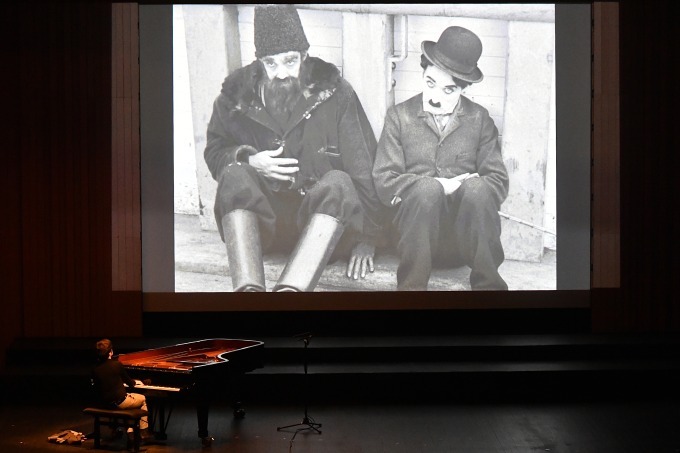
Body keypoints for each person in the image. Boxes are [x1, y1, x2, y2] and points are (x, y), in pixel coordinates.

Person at [204, 4, 384, 292]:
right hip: (267, 225)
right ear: (260, 62)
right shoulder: (235, 97)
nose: (281, 73)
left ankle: (291, 295)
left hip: (322, 224)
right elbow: (215, 152)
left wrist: (369, 238)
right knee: (235, 172)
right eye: (270, 63)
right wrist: (250, 159)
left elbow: (364, 167)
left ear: (304, 56)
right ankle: (248, 292)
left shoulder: (336, 93)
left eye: (290, 61)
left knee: (339, 181)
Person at [372, 26, 510, 291]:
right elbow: (384, 181)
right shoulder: (399, 117)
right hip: (413, 240)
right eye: (430, 83)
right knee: (426, 188)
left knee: (479, 187)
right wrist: (438, 186)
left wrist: (466, 188)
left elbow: (498, 182)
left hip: (461, 244)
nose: (435, 97)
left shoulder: (480, 120)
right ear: (423, 74)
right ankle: (411, 295)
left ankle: (490, 291)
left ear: (464, 89)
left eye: (449, 90)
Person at [90, 339, 152, 443]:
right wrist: (139, 382)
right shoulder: (117, 365)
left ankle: (129, 431)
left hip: (105, 403)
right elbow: (130, 383)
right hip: (119, 402)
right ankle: (143, 431)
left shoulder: (95, 369)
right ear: (111, 352)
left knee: (124, 399)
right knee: (142, 399)